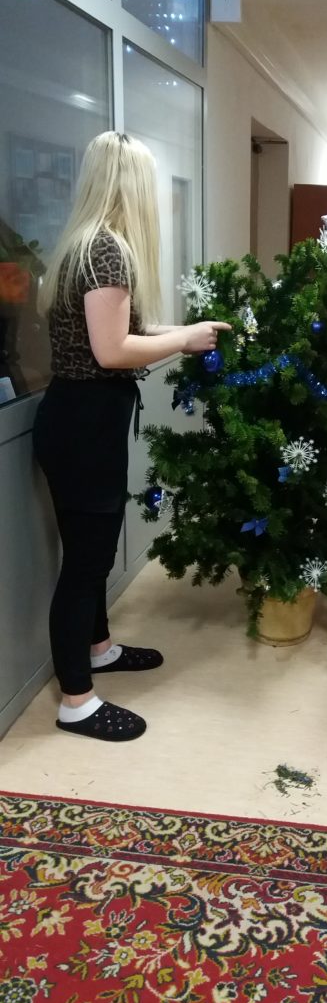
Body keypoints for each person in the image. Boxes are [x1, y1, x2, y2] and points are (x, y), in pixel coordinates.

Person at [34, 131, 231, 742]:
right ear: (133, 186)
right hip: (85, 425)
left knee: (88, 552)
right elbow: (113, 350)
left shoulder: (82, 245)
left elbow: (127, 329)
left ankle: (99, 649)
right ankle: (76, 702)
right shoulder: (109, 250)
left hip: (76, 419)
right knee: (86, 563)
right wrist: (184, 340)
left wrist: (189, 331)